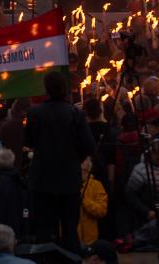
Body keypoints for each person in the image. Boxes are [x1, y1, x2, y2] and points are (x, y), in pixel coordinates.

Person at [24, 70, 96, 250]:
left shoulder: (34, 113)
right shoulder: (76, 114)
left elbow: (28, 142)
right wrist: (74, 160)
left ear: (46, 89)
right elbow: (89, 146)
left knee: (45, 231)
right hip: (69, 180)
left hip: (43, 180)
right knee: (70, 230)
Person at [78, 156, 108, 246]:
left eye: (85, 170)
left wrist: (84, 201)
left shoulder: (97, 185)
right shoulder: (68, 186)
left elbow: (102, 210)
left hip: (90, 241)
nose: (82, 172)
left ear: (90, 169)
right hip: (70, 240)